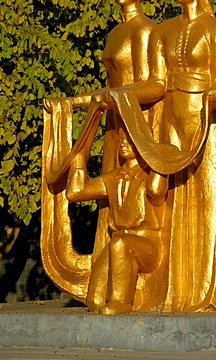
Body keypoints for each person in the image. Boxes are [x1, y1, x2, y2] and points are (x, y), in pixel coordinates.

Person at [112, 0, 216, 312]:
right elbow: (156, 84)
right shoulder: (163, 31)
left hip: (204, 117)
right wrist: (118, 95)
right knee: (161, 194)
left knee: (207, 198)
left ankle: (208, 284)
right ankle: (168, 284)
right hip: (171, 120)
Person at [41, 0, 160, 305]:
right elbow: (109, 87)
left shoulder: (145, 31)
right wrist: (70, 103)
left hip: (137, 122)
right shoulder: (113, 34)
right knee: (110, 198)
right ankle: (111, 278)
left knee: (138, 193)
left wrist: (117, 98)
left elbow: (156, 84)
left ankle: (134, 280)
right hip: (113, 124)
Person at [66, 127, 168, 314]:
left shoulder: (151, 174)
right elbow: (76, 192)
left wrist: (160, 160)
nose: (122, 143)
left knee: (120, 243)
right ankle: (128, 292)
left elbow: (156, 190)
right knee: (95, 300)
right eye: (121, 139)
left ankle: (122, 301)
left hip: (148, 244)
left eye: (129, 139)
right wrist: (80, 158)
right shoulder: (113, 177)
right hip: (119, 242)